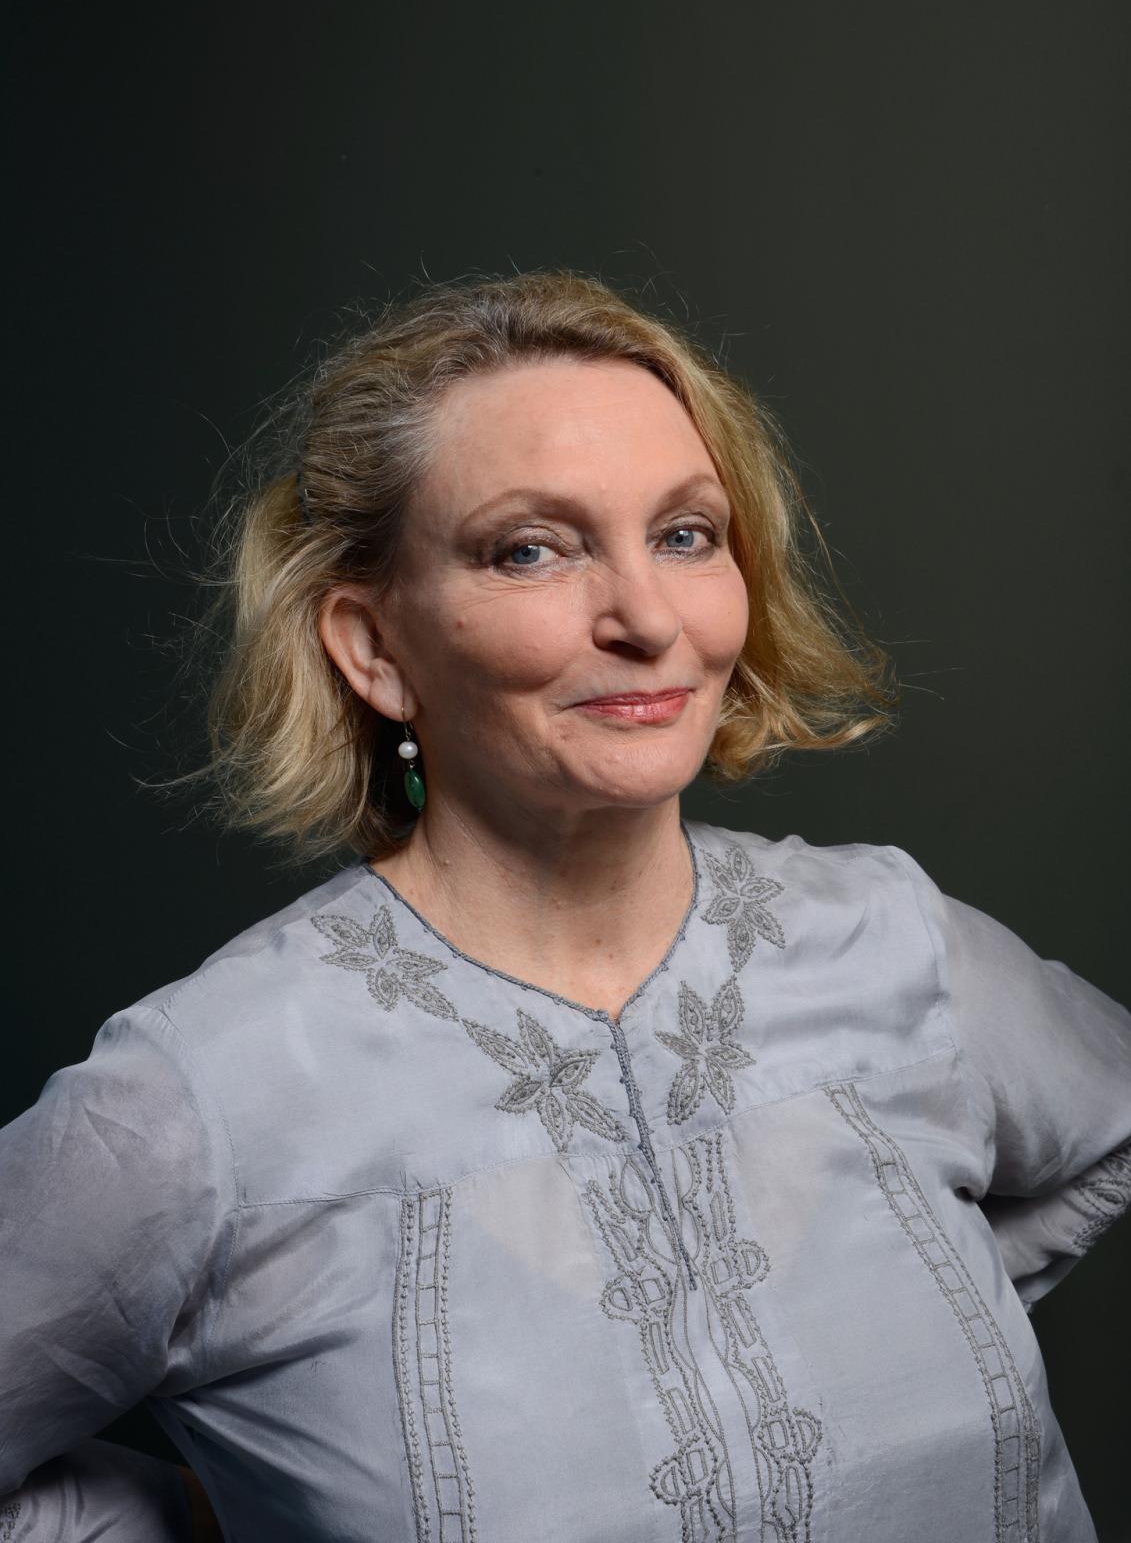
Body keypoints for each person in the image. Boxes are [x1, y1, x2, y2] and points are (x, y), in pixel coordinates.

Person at [2, 270, 1128, 1543]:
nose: (647, 617)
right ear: (374, 647)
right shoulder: (204, 1095)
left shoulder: (894, 937)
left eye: (686, 534)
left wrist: (918, 1335)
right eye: (530, 550)